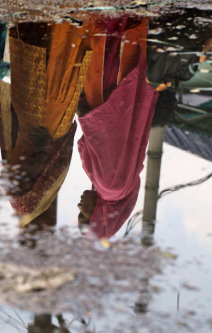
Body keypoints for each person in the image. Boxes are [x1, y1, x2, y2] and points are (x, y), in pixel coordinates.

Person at [0, 19, 92, 227]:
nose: (10, 164)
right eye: (19, 174)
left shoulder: (38, 131)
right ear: (37, 172)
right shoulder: (48, 119)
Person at [76, 15, 160, 238]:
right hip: (108, 98)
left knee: (124, 41)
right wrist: (79, 109)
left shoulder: (115, 190)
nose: (79, 208)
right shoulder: (110, 187)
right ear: (98, 218)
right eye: (83, 216)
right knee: (111, 36)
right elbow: (105, 135)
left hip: (116, 102)